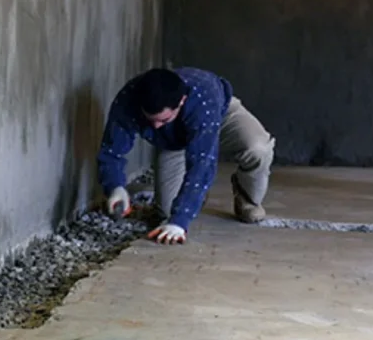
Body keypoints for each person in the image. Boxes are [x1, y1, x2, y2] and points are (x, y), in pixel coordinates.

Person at [96, 67, 275, 245]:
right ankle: (197, 197)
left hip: (220, 116)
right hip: (174, 141)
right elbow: (111, 150)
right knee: (167, 211)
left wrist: (179, 221)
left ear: (182, 101)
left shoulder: (204, 98)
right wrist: (115, 186)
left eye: (163, 120)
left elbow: (202, 163)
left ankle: (247, 199)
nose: (156, 126)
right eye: (151, 120)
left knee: (257, 149)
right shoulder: (129, 98)